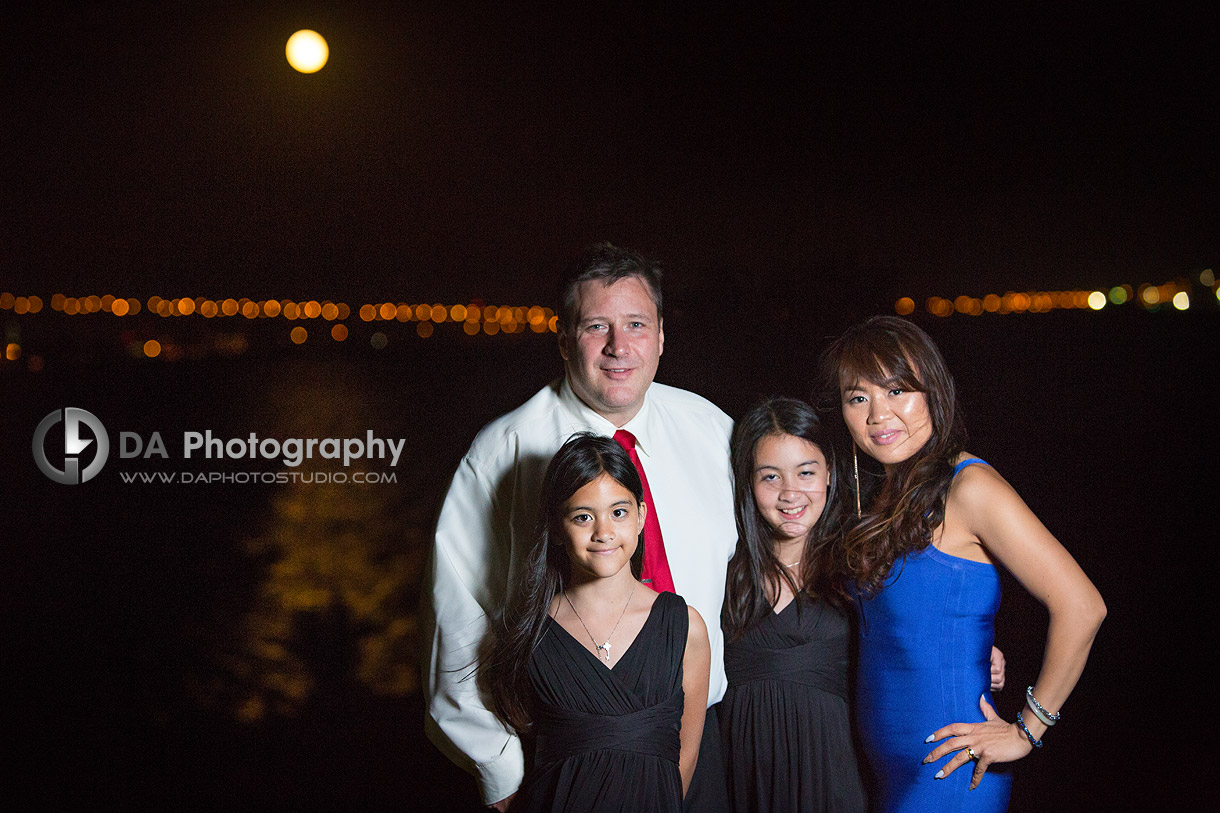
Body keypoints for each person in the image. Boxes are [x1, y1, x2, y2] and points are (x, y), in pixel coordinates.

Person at [424, 243, 736, 811]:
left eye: (637, 324)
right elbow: (458, 622)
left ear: (661, 335)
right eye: (597, 326)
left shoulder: (713, 431)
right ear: (565, 339)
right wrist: (504, 777)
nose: (620, 346)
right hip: (563, 762)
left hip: (701, 750)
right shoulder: (503, 450)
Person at [820, 315, 1106, 812]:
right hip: (883, 772)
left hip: (951, 772)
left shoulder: (969, 488)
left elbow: (1082, 606)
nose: (878, 415)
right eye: (858, 397)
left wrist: (1027, 729)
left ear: (933, 391)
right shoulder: (886, 493)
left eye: (897, 391)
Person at [484, 432, 710, 811]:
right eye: (583, 516)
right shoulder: (530, 630)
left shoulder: (685, 627)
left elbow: (684, 761)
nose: (603, 532)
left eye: (618, 512)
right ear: (557, 528)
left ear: (641, 516)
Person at [719, 397, 867, 812]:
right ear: (748, 482)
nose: (790, 493)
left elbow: (913, 633)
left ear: (830, 474)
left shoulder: (859, 563)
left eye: (806, 472)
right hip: (741, 780)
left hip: (835, 775)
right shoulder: (722, 571)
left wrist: (977, 654)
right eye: (770, 477)